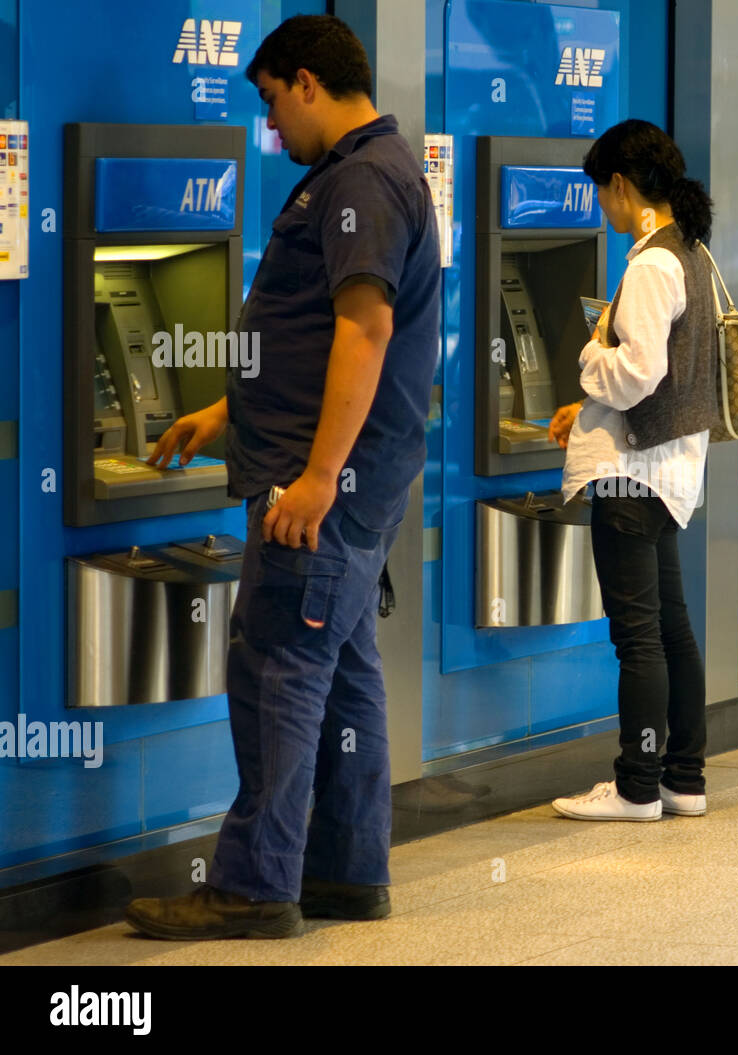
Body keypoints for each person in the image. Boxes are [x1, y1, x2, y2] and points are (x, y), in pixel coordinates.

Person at [124, 14, 441, 939]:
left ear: (307, 82)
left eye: (270, 101)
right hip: (343, 475)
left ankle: (255, 886)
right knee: (340, 672)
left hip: (323, 490)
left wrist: (316, 480)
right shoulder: (368, 175)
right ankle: (348, 874)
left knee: (277, 669)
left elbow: (365, 331)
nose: (270, 128)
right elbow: (309, 341)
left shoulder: (361, 183)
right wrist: (229, 415)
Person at [548, 119, 717, 822]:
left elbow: (637, 373)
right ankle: (683, 777)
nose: (601, 210)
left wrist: (589, 358)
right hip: (666, 472)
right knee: (670, 628)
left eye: (601, 194)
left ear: (622, 186)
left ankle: (636, 785)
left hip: (630, 475)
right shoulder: (691, 252)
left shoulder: (650, 263)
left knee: (637, 636)